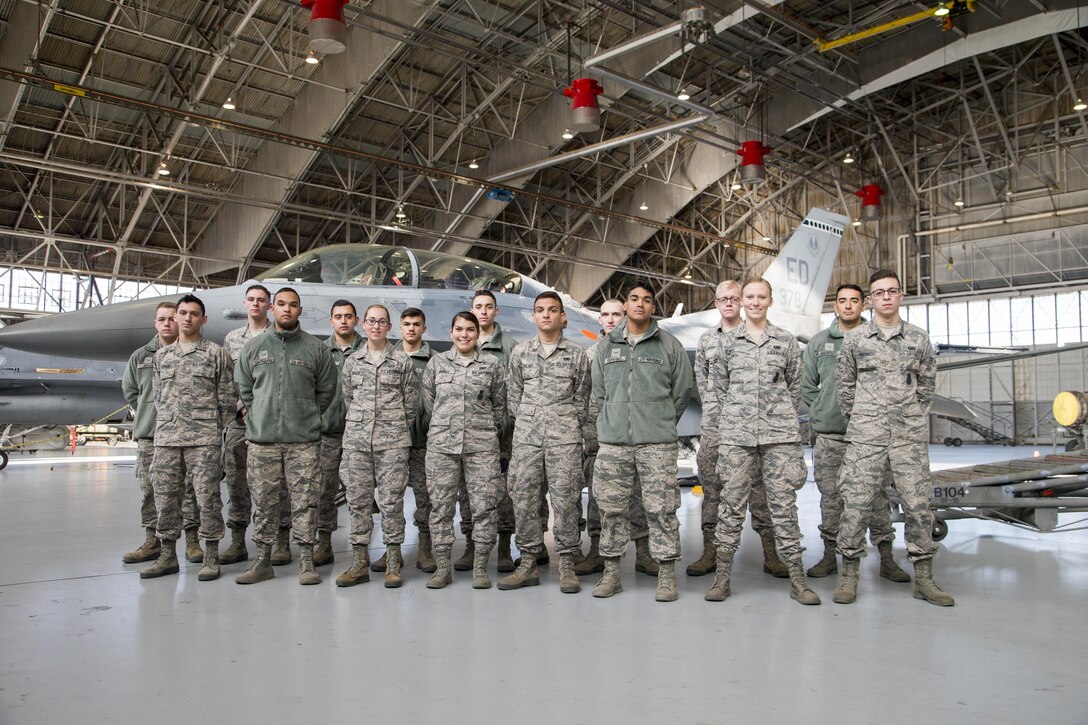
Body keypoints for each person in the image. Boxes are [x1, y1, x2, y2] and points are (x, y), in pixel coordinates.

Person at [833, 270, 954, 606]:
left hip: (907, 439)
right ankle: (849, 577)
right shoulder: (856, 340)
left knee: (918, 507)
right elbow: (845, 386)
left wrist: (911, 416)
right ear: (870, 300)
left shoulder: (918, 338)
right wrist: (862, 417)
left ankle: (925, 580)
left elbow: (927, 383)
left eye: (892, 291)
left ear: (900, 296)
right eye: (879, 293)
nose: (886, 297)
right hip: (865, 437)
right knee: (856, 507)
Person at [704, 278, 820, 605]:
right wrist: (739, 417)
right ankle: (722, 577)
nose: (755, 302)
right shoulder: (727, 343)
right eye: (749, 297)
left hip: (778, 437)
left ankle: (798, 579)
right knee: (731, 506)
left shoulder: (785, 341)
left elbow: (795, 388)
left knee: (783, 506)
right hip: (737, 437)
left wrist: (775, 415)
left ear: (770, 301)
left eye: (761, 297)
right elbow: (720, 387)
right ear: (741, 301)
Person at [591, 279, 692, 602]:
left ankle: (665, 575)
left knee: (661, 509)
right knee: (611, 509)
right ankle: (611, 575)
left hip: (657, 443)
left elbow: (681, 391)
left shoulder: (668, 345)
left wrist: (659, 421)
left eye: (647, 300)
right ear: (626, 304)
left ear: (652, 307)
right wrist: (615, 420)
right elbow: (600, 393)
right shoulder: (607, 347)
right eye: (634, 298)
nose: (640, 304)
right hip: (614, 444)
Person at [801, 284, 909, 583]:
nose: (848, 306)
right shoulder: (819, 343)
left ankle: (887, 557)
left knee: (876, 498)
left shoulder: (878, 340)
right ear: (835, 306)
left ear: (864, 305)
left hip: (871, 435)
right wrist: (825, 407)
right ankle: (829, 555)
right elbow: (807, 385)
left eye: (854, 301)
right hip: (831, 435)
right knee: (831, 497)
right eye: (842, 301)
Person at [233, 288, 337, 585]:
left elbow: (326, 391)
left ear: (300, 311)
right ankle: (262, 560)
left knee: (305, 502)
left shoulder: (315, 349)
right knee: (264, 502)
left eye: (293, 305)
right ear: (272, 309)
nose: (287, 310)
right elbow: (245, 389)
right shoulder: (253, 348)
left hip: (303, 442)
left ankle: (306, 561)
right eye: (281, 304)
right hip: (262, 441)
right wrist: (260, 415)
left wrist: (306, 415)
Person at [687, 280, 788, 578]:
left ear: (741, 302)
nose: (729, 303)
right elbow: (703, 384)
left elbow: (789, 385)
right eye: (723, 299)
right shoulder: (707, 340)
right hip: (716, 429)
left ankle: (771, 554)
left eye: (734, 298)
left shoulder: (757, 337)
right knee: (713, 489)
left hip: (754, 429)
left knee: (759, 490)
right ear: (716, 303)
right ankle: (710, 552)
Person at [499, 292, 591, 593]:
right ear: (534, 317)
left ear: (562, 317)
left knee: (566, 501)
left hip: (564, 440)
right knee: (524, 498)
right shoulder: (521, 353)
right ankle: (527, 561)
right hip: (527, 440)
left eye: (553, 310)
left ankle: (566, 563)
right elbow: (513, 398)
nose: (546, 315)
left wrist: (563, 425)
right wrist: (532, 422)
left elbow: (582, 400)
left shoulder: (576, 355)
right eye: (540, 310)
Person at [140, 295, 236, 581]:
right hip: (167, 439)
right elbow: (158, 397)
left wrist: (208, 426)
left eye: (194, 314)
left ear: (203, 320)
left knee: (208, 499)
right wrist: (171, 423)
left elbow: (228, 400)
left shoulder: (216, 354)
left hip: (203, 440)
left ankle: (210, 556)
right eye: (182, 313)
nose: (186, 318)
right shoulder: (161, 356)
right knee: (166, 498)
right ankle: (168, 555)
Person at [421, 311, 506, 589]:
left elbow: (499, 407)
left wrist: (480, 430)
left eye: (470, 329)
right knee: (441, 508)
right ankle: (443, 566)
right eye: (459, 329)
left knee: (483, 508)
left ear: (477, 333)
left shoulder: (492, 365)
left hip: (481, 448)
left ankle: (480, 567)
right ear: (451, 333)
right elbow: (429, 405)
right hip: (442, 448)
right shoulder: (436, 364)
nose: (464, 334)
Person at [335, 304, 418, 588]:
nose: (376, 326)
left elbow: (411, 405)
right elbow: (348, 398)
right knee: (357, 501)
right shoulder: (352, 362)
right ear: (364, 324)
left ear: (389, 327)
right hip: (357, 442)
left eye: (382, 322)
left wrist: (392, 428)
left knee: (392, 502)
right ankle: (358, 562)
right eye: (371, 321)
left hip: (392, 443)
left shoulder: (401, 362)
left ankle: (393, 562)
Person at [576, 299, 656, 578]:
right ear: (599, 320)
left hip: (631, 434)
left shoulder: (634, 351)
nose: (610, 320)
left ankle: (644, 553)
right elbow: (580, 396)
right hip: (597, 435)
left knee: (637, 493)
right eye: (605, 315)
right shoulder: (587, 354)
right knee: (598, 496)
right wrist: (587, 432)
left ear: (625, 317)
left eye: (616, 315)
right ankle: (597, 550)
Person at [120, 301, 199, 564]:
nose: (167, 324)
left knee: (189, 491)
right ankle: (153, 542)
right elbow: (132, 392)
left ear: (179, 320)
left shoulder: (194, 352)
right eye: (161, 319)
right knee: (150, 490)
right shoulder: (141, 357)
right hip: (151, 435)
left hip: (185, 435)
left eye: (171, 319)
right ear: (155, 323)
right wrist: (150, 413)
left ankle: (192, 542)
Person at [221, 284, 290, 566]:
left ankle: (281, 541)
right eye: (251, 300)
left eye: (261, 300)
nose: (255, 305)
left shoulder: (281, 338)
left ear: (269, 306)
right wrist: (239, 409)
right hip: (241, 422)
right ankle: (238, 540)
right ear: (245, 303)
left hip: (273, 422)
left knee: (277, 484)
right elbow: (229, 380)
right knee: (237, 482)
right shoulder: (232, 339)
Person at [453, 290, 518, 573]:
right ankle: (472, 546)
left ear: (496, 311)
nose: (483, 312)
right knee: (468, 492)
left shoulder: (510, 348)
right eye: (478, 306)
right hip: (466, 436)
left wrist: (498, 427)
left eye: (488, 307)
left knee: (502, 493)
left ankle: (504, 548)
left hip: (501, 437)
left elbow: (513, 394)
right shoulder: (462, 341)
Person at [316, 300, 364, 567]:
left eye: (348, 316)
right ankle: (324, 543)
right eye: (338, 316)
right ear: (331, 321)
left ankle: (361, 546)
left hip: (359, 434)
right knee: (324, 490)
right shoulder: (320, 351)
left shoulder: (369, 351)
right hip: (327, 433)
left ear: (356, 320)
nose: (343, 321)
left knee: (359, 492)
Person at [400, 307, 436, 573]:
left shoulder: (435, 361)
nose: (411, 328)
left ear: (424, 328)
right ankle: (392, 550)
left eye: (416, 324)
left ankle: (425, 550)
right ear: (399, 328)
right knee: (391, 499)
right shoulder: (388, 358)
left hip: (424, 443)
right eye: (406, 324)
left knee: (426, 499)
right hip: (392, 443)